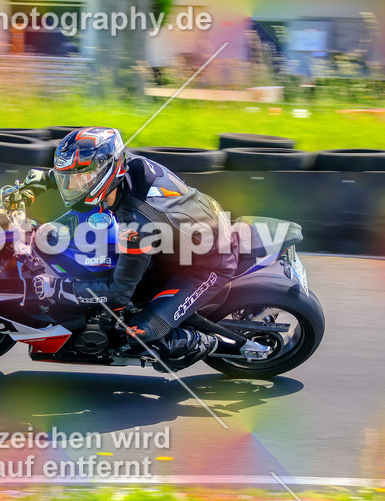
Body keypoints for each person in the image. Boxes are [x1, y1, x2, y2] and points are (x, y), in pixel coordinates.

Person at [18, 127, 238, 372]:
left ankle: (205, 341)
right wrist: (47, 179)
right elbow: (87, 172)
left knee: (138, 335)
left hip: (206, 265)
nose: (71, 186)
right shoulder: (127, 166)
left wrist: (60, 288)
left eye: (78, 178)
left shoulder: (137, 224)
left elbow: (117, 295)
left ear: (105, 172)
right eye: (67, 178)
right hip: (180, 241)